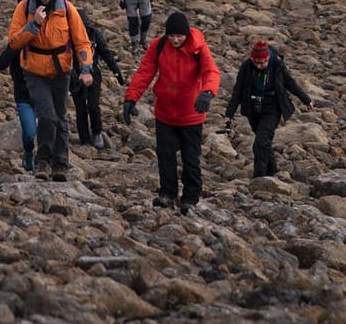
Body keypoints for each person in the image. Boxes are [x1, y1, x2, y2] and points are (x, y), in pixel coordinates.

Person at [121, 12, 220, 215]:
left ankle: (190, 198)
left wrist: (208, 92)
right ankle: (168, 194)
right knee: (165, 154)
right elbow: (145, 72)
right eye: (172, 36)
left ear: (186, 34)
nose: (175, 40)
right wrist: (131, 98)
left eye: (179, 36)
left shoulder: (198, 49)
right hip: (165, 112)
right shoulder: (158, 46)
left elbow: (211, 72)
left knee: (191, 157)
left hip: (191, 113)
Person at [5, 0, 94, 181]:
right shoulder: (24, 8)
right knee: (46, 114)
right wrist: (34, 24)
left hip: (60, 71)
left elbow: (82, 41)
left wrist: (86, 68)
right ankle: (43, 159)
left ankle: (60, 163)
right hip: (34, 71)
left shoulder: (67, 10)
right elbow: (14, 41)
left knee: (61, 117)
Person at [224, 40, 312, 180]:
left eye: (263, 62)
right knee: (264, 142)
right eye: (256, 62)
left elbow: (290, 83)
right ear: (252, 58)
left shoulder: (277, 65)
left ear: (268, 58)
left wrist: (306, 99)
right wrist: (229, 114)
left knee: (260, 143)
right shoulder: (247, 67)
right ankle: (272, 171)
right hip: (253, 108)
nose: (259, 66)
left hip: (272, 107)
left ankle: (259, 178)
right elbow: (238, 91)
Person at [69, 0, 124, 151]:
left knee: (93, 105)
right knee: (80, 108)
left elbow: (106, 54)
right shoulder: (67, 36)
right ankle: (84, 139)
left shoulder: (94, 34)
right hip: (74, 75)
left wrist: (117, 74)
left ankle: (97, 132)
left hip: (94, 74)